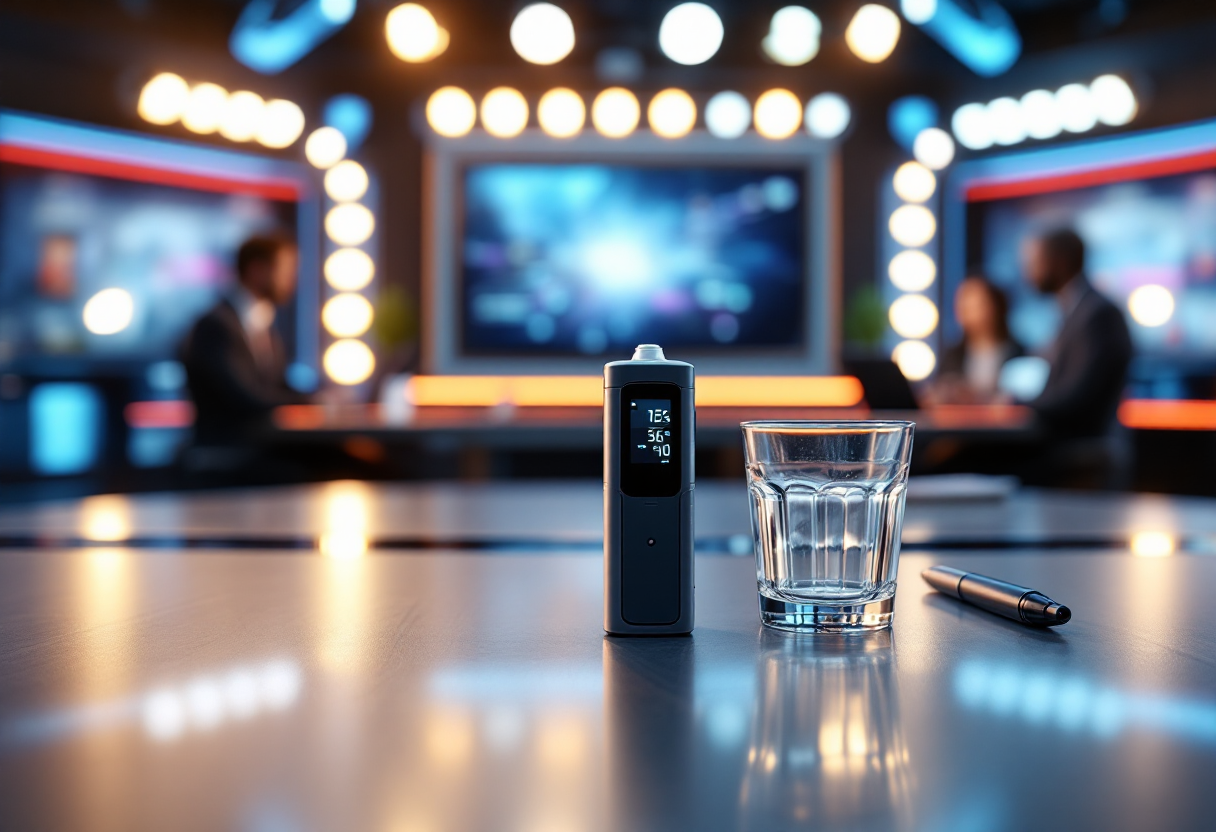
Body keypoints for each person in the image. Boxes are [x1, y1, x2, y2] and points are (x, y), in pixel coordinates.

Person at [180, 235, 310, 454]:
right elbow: (244, 398)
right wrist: (308, 403)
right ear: (257, 270)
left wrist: (319, 399)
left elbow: (277, 386)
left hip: (262, 442)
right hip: (228, 449)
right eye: (286, 271)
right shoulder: (216, 325)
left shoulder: (263, 323)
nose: (292, 280)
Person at [1023, 228, 1133, 440]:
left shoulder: (1097, 314)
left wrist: (1012, 404)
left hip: (1076, 445)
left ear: (1061, 261)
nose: (1028, 271)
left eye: (1035, 261)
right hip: (1061, 438)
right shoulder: (1076, 309)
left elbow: (1077, 399)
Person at [935, 276, 1023, 403]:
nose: (968, 313)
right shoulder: (952, 356)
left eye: (977, 305)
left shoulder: (1018, 355)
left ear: (996, 306)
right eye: (964, 305)